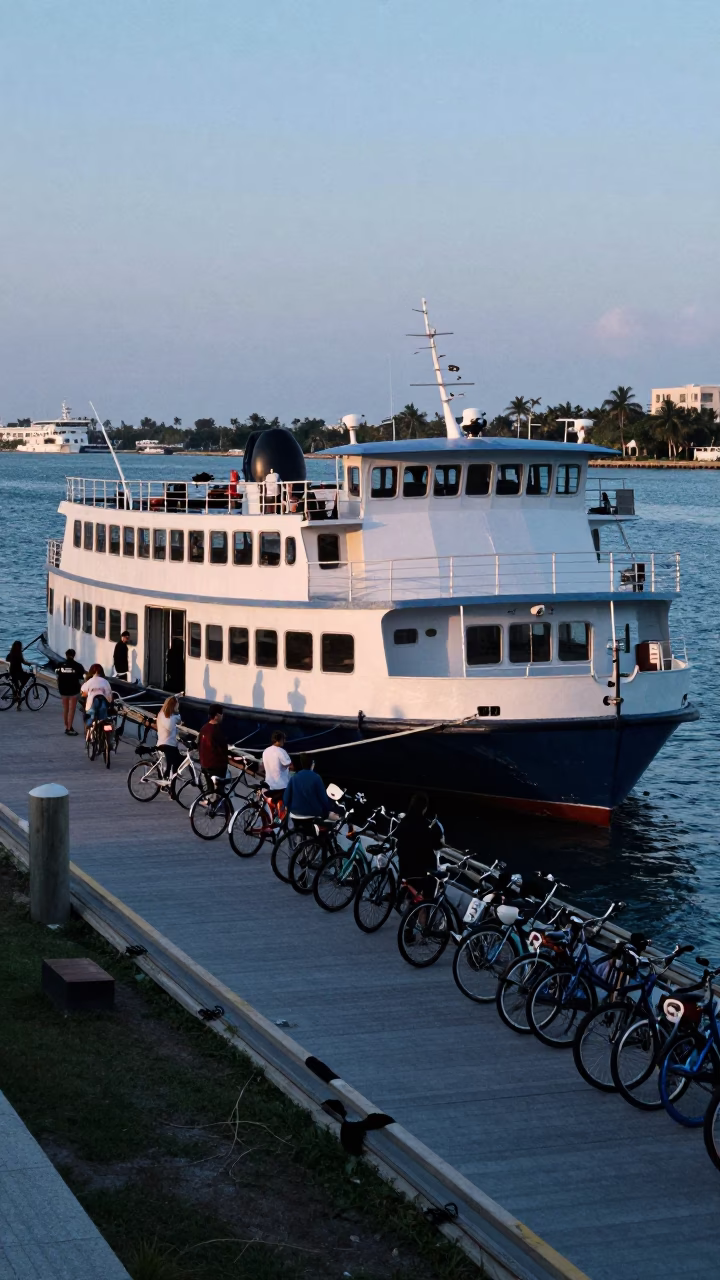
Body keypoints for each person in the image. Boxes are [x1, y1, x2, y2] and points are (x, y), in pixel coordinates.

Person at [395, 791, 444, 900]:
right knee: (433, 879)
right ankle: (424, 910)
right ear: (425, 808)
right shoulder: (426, 826)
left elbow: (397, 836)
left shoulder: (404, 822)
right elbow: (436, 845)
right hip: (419, 870)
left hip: (404, 867)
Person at [283, 755, 339, 822]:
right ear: (312, 764)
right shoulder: (316, 778)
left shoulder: (294, 778)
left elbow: (286, 798)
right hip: (313, 814)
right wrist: (330, 809)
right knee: (335, 818)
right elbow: (323, 798)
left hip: (295, 813)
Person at [197, 704, 229, 792]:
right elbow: (223, 749)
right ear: (216, 716)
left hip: (205, 764)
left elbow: (199, 744)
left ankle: (209, 801)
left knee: (210, 789)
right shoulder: (217, 731)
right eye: (221, 714)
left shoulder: (204, 728)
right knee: (219, 791)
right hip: (216, 766)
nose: (223, 716)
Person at [56, 648, 85, 735]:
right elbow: (81, 680)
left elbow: (57, 677)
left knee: (65, 708)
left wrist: (59, 688)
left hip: (63, 690)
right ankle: (69, 728)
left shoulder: (59, 665)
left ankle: (66, 726)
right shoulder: (78, 666)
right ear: (74, 655)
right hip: (74, 690)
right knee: (72, 709)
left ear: (66, 655)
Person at [262, 730, 294, 807]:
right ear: (279, 740)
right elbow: (291, 766)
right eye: (283, 739)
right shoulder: (281, 751)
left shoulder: (265, 751)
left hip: (269, 785)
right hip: (281, 786)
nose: (284, 741)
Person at [156, 695, 183, 779]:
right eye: (177, 705)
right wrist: (177, 718)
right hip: (166, 744)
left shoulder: (170, 715)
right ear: (173, 705)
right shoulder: (165, 715)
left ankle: (171, 783)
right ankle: (165, 782)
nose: (177, 707)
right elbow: (170, 726)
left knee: (177, 762)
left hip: (171, 744)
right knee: (172, 763)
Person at [80, 663, 114, 728]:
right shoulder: (105, 681)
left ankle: (89, 728)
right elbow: (109, 693)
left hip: (92, 701)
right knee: (103, 718)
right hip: (103, 701)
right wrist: (109, 702)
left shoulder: (89, 682)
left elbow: (83, 693)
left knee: (90, 715)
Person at [5, 641, 31, 706]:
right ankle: (18, 697)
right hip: (18, 672)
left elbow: (7, 659)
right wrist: (30, 663)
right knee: (27, 678)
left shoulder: (11, 653)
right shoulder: (19, 654)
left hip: (12, 671)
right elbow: (23, 662)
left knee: (17, 687)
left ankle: (17, 697)